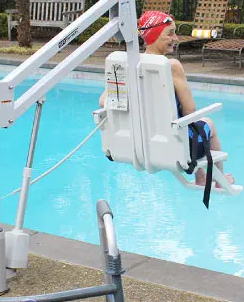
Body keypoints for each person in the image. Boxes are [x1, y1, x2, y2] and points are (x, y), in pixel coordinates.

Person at [99, 10, 234, 188]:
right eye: (169, 33)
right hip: (174, 145)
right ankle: (217, 179)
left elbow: (103, 102)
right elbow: (190, 111)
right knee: (206, 123)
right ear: (154, 35)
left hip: (133, 143)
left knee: (193, 127)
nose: (175, 38)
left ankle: (202, 177)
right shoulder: (171, 66)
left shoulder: (127, 65)